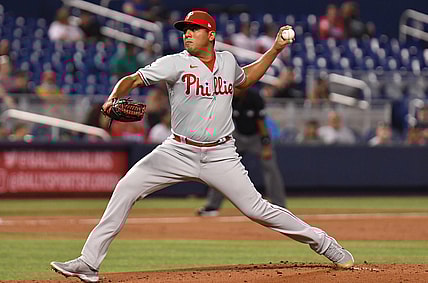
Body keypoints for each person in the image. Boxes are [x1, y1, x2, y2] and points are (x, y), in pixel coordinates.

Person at [50, 11, 354, 283]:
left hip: (221, 154)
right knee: (126, 188)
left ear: (211, 34)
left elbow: (246, 79)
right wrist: (112, 98)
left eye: (194, 29)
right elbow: (132, 79)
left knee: (258, 210)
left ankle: (325, 244)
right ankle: (89, 263)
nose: (187, 33)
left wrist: (275, 49)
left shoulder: (227, 61)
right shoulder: (174, 63)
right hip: (177, 150)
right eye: (185, 29)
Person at [197, 87, 286, 216]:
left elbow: (261, 122)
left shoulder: (254, 98)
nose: (235, 90)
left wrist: (266, 144)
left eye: (237, 87)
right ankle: (212, 206)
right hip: (237, 136)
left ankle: (280, 206)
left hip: (257, 137)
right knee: (221, 167)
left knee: (270, 167)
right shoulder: (228, 98)